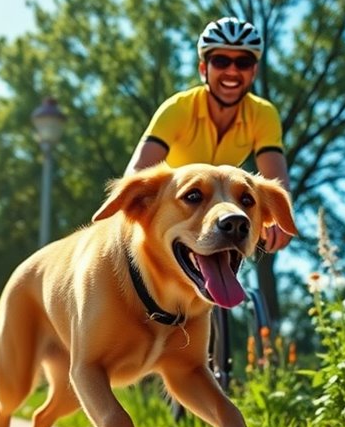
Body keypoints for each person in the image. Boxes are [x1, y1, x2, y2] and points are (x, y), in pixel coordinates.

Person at [125, 16, 293, 253]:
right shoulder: (178, 108)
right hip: (177, 215)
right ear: (204, 68)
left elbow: (277, 181)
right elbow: (136, 174)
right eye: (221, 61)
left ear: (253, 71)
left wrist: (280, 218)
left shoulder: (263, 114)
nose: (232, 71)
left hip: (223, 216)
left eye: (243, 62)